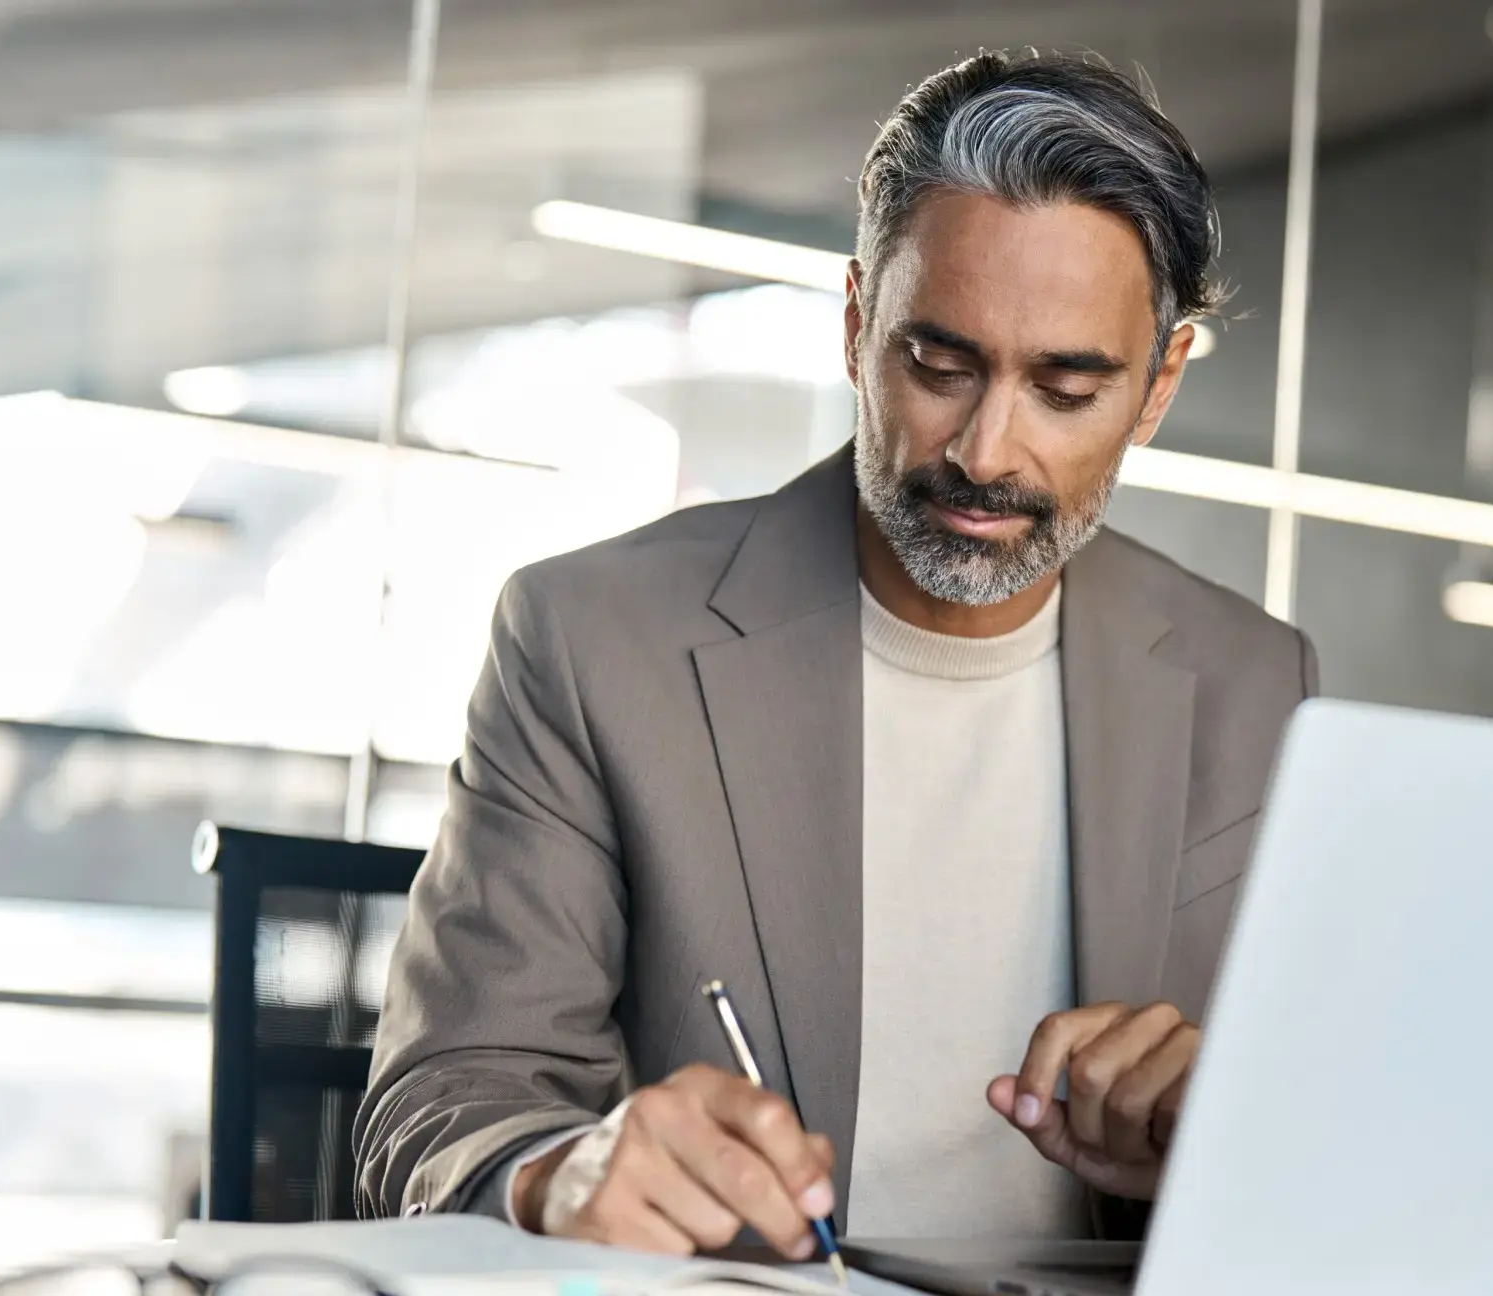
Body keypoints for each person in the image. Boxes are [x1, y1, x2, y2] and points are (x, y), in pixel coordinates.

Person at [354, 50, 1316, 1255]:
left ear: (1159, 386)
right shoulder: (594, 641)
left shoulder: (1255, 688)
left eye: (1066, 388)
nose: (984, 449)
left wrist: (1199, 1140)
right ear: (859, 323)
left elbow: (1325, 1150)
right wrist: (560, 1174)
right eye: (938, 363)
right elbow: (444, 1098)